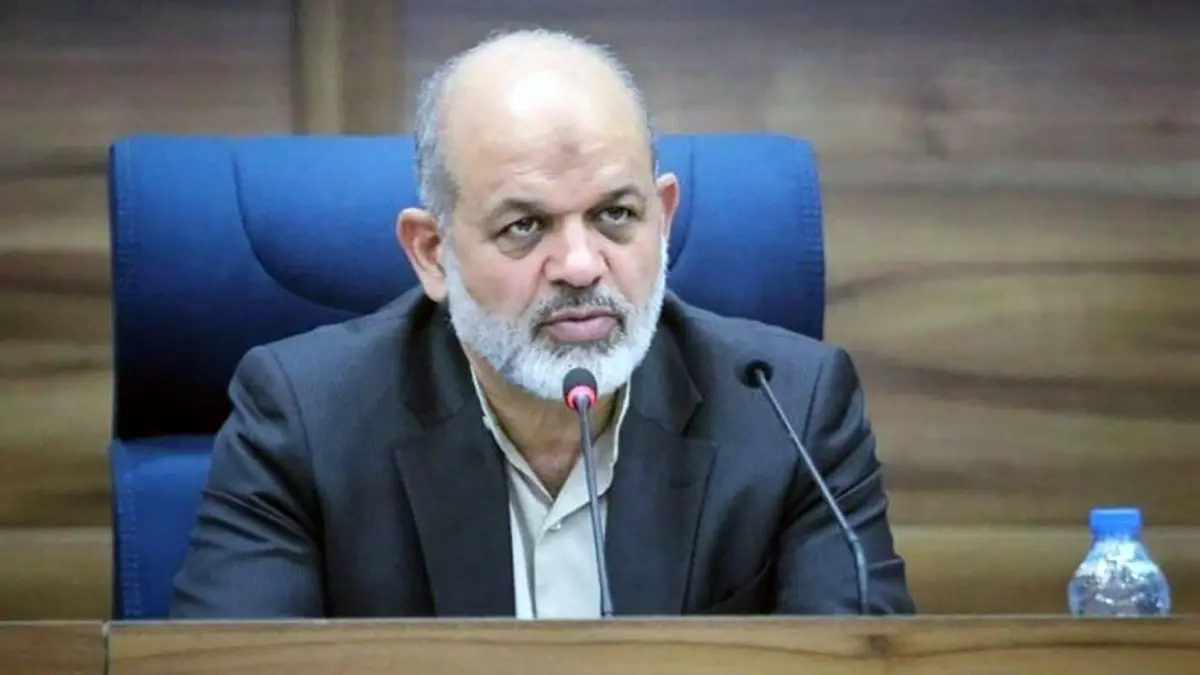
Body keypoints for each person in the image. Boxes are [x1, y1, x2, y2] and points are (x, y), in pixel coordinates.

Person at [170, 28, 915, 619]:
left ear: (663, 219)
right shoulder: (304, 419)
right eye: (525, 226)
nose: (582, 266)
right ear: (432, 253)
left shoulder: (790, 411)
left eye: (616, 215)